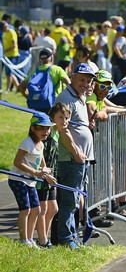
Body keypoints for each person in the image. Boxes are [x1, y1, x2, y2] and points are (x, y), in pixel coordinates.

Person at [54, 63, 96, 249]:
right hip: (72, 159)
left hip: (80, 159)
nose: (85, 83)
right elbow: (63, 129)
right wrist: (76, 152)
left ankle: (71, 236)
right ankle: (66, 239)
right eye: (82, 79)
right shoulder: (65, 98)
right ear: (72, 77)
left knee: (74, 200)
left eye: (88, 80)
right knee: (69, 201)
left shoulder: (79, 98)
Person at [9, 114, 58, 247]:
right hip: (18, 180)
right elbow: (17, 162)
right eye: (42, 129)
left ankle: (30, 239)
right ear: (33, 128)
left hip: (30, 180)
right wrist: (36, 172)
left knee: (36, 209)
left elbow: (41, 160)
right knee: (26, 210)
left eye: (48, 129)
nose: (46, 132)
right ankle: (23, 240)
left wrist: (46, 172)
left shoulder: (40, 144)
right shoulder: (27, 143)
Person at [36, 104, 70, 247]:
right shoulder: (46, 135)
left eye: (66, 118)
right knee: (43, 209)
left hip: (52, 175)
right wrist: (43, 173)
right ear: (51, 118)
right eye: (60, 118)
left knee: (54, 208)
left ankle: (44, 237)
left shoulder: (56, 132)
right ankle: (43, 240)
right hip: (43, 176)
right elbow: (37, 156)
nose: (64, 121)